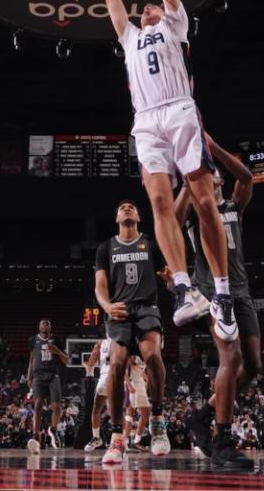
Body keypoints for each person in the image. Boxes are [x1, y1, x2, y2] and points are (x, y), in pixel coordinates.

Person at [101, 0, 235, 340]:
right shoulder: (128, 38)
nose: (148, 7)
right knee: (159, 203)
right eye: (145, 8)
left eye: (153, 5)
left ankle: (223, 292)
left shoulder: (177, 24)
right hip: (146, 121)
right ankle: (182, 288)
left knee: (203, 200)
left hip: (180, 109)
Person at [171, 134, 257, 468]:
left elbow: (247, 178)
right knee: (230, 357)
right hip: (209, 289)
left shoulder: (234, 205)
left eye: (215, 173)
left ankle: (201, 416)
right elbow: (173, 223)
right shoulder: (196, 208)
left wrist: (214, 149)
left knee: (253, 367)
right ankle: (223, 438)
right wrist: (187, 182)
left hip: (242, 289)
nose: (215, 176)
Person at [94, 199, 171, 465]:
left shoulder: (150, 243)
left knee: (153, 356)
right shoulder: (106, 248)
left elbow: (167, 273)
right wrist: (106, 306)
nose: (126, 208)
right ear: (116, 218)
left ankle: (158, 421)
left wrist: (171, 280)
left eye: (132, 207)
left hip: (147, 307)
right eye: (121, 208)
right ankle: (117, 438)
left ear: (139, 217)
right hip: (120, 311)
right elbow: (100, 285)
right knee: (115, 366)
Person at [26, 319, 68, 453]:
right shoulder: (33, 340)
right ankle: (35, 436)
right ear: (39, 326)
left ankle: (53, 431)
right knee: (37, 404)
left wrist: (58, 352)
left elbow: (67, 359)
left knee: (56, 407)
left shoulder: (57, 340)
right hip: (38, 376)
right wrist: (29, 375)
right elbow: (31, 359)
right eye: (43, 323)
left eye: (48, 323)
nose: (45, 325)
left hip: (53, 375)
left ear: (51, 327)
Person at [83, 336, 112, 451]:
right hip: (105, 376)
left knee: (117, 411)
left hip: (117, 376)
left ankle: (121, 440)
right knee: (96, 408)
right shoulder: (100, 343)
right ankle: (96, 438)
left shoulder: (122, 341)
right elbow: (91, 363)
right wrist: (88, 369)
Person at [124, 355, 151, 450]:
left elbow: (144, 374)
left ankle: (137, 441)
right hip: (132, 383)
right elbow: (126, 372)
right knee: (129, 413)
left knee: (145, 414)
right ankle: (126, 442)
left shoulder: (146, 354)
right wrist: (129, 386)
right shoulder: (132, 354)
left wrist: (145, 383)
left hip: (141, 385)